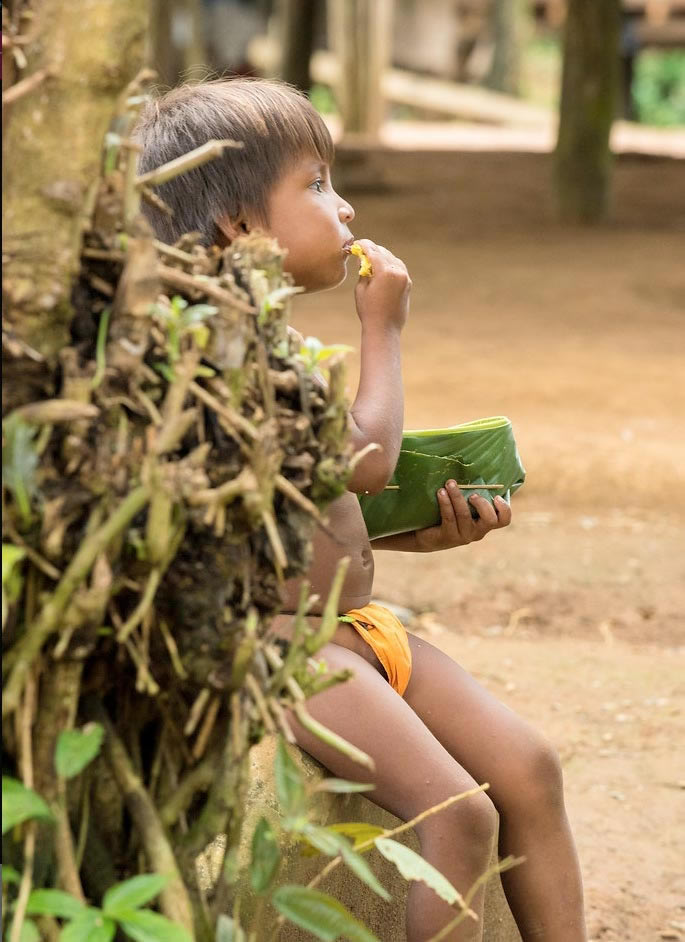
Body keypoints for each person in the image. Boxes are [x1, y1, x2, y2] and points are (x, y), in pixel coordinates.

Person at [136, 78, 587, 942]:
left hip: (357, 629)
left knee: (528, 769)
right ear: (236, 222)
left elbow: (315, 508)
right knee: (457, 816)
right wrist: (380, 331)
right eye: (313, 185)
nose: (342, 209)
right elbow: (368, 459)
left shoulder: (271, 343)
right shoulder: (212, 349)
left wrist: (417, 535)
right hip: (286, 648)